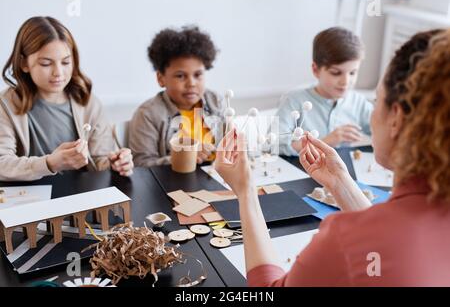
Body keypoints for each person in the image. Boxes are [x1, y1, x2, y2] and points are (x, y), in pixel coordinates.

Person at [214, 29, 450, 286]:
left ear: (396, 119)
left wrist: (245, 191)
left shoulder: (344, 239)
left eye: (377, 100)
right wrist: (341, 183)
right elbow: (391, 240)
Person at [0, 16, 133, 181]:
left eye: (65, 62)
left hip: (80, 194)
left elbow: (100, 160)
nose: (58, 73)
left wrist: (116, 163)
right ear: (23, 63)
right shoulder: (5, 104)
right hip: (28, 199)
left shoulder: (87, 101)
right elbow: (2, 164)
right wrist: (50, 164)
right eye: (46, 64)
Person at [129, 26, 223, 167]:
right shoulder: (147, 114)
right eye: (180, 76)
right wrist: (185, 157)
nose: (191, 83)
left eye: (198, 75)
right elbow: (141, 165)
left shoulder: (215, 100)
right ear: (161, 78)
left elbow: (232, 145)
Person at [276, 27, 373, 153]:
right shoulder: (294, 101)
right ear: (316, 70)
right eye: (336, 73)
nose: (346, 82)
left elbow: (382, 131)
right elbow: (276, 145)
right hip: (303, 170)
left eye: (353, 73)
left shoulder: (358, 102)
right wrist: (327, 141)